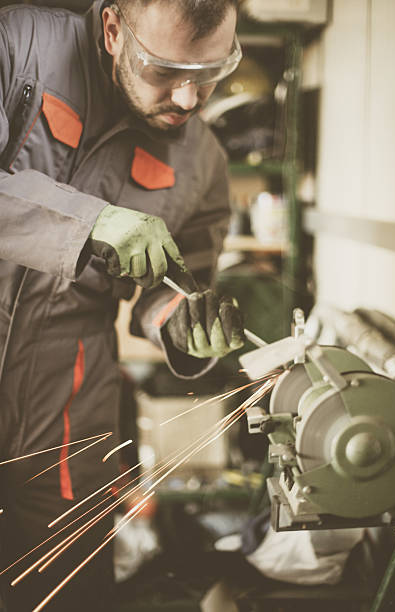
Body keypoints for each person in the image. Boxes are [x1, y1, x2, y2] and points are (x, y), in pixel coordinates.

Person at [0, 0, 245, 609]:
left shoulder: (202, 161)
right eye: (165, 70)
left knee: (65, 584)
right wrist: (87, 222)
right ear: (113, 30)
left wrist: (185, 327)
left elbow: (174, 292)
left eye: (210, 73)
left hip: (66, 392)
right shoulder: (18, 47)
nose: (189, 99)